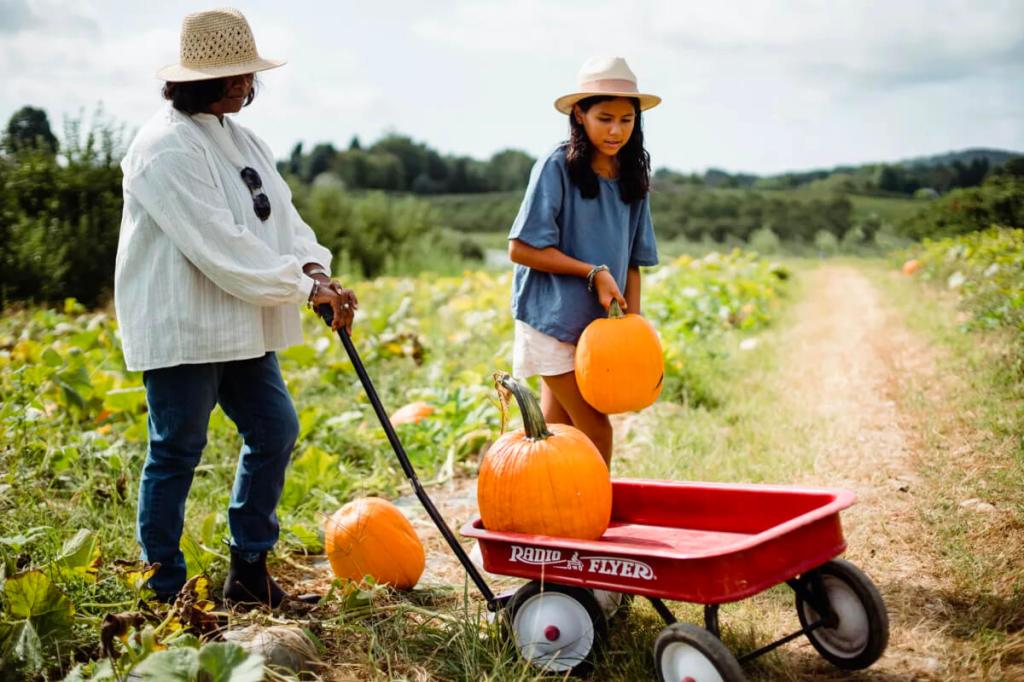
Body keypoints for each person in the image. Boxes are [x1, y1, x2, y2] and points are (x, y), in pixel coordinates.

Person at [114, 7, 356, 608]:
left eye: (249, 74)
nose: (247, 85)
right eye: (235, 76)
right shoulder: (164, 147)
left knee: (276, 428)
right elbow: (220, 244)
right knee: (177, 449)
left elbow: (285, 222)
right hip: (185, 322)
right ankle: (163, 591)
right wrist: (303, 290)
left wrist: (316, 271)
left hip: (241, 321)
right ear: (199, 80)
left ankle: (248, 571)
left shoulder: (243, 139)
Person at [508, 56, 660, 465]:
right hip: (552, 318)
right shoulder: (556, 167)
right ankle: (596, 520)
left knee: (558, 436)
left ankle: (553, 521)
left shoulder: (632, 174)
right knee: (595, 427)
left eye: (626, 120)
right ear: (580, 114)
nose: (616, 131)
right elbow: (520, 249)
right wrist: (591, 272)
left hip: (597, 331)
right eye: (605, 118)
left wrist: (634, 324)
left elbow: (633, 259)